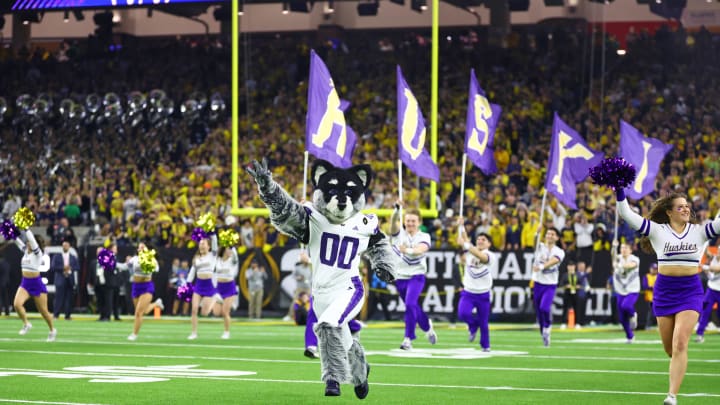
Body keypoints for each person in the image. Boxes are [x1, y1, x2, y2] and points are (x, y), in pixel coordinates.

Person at [616, 190, 720, 405]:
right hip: (664, 291)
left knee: (680, 342)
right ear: (669, 212)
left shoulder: (699, 231)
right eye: (680, 206)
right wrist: (619, 190)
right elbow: (626, 213)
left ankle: (671, 396)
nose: (685, 209)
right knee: (669, 349)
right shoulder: (657, 231)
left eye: (687, 206)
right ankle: (677, 371)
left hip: (690, 289)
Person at [389, 203, 437, 350]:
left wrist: (407, 250)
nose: (410, 223)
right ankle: (427, 325)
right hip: (401, 276)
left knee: (410, 304)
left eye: (413, 221)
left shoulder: (424, 236)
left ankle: (408, 339)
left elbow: (421, 250)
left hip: (416, 275)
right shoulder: (399, 234)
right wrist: (396, 211)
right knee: (413, 306)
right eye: (408, 220)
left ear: (419, 222)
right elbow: (392, 225)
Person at [12, 228, 57, 341]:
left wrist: (26, 229)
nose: (27, 243)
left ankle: (52, 330)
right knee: (17, 305)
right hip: (25, 283)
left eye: (29, 242)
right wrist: (9, 232)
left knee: (44, 312)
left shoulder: (38, 253)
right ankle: (27, 324)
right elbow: (17, 241)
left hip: (36, 283)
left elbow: (31, 239)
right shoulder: (26, 251)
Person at [456, 229, 495, 352]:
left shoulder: (490, 255)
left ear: (489, 244)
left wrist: (466, 244)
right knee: (463, 313)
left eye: (484, 240)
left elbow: (481, 256)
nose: (480, 241)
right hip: (469, 292)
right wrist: (461, 226)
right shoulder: (469, 252)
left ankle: (485, 345)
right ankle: (472, 326)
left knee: (484, 322)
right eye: (478, 239)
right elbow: (465, 239)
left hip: (483, 293)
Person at [531, 227, 565, 347]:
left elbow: (554, 261)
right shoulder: (540, 247)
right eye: (548, 233)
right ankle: (544, 333)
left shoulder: (559, 251)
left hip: (550, 284)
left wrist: (541, 267)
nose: (549, 235)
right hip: (538, 283)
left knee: (545, 308)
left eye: (552, 234)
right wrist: (537, 233)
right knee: (539, 312)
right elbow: (534, 243)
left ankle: (548, 326)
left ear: (557, 238)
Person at [126, 242, 164, 341]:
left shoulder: (151, 259)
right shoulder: (134, 259)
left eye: (143, 247)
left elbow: (156, 269)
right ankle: (156, 303)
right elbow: (126, 267)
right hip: (135, 286)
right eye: (139, 248)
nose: (141, 249)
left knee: (138, 312)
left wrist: (147, 263)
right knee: (142, 312)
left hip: (146, 287)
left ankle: (134, 334)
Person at [187, 234, 218, 340]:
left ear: (208, 246)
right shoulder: (196, 258)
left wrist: (213, 234)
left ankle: (215, 299)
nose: (202, 246)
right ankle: (194, 333)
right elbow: (192, 271)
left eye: (204, 244)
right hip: (199, 284)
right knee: (194, 309)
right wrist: (188, 283)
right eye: (200, 244)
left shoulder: (212, 255)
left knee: (204, 313)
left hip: (209, 285)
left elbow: (215, 243)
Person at [611, 240, 641, 343]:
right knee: (622, 318)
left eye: (626, 248)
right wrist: (614, 247)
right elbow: (613, 256)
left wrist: (619, 266)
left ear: (630, 250)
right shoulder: (618, 258)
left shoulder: (635, 259)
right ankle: (630, 336)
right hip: (620, 290)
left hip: (632, 289)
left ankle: (633, 315)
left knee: (626, 306)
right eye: (622, 248)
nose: (623, 250)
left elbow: (631, 265)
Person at [50, 237, 79, 320]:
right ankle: (56, 314)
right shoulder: (57, 256)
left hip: (70, 279)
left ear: (69, 246)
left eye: (66, 245)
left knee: (69, 299)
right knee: (58, 298)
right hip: (60, 279)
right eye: (64, 245)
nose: (65, 247)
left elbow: (77, 267)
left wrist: (70, 268)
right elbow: (53, 267)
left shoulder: (73, 257)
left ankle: (68, 315)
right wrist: (63, 268)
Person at [695, 246, 720, 343]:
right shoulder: (713, 257)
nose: (718, 252)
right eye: (718, 250)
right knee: (705, 311)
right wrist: (704, 243)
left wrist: (703, 266)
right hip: (711, 289)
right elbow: (706, 251)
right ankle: (700, 334)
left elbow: (716, 269)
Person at [214, 243, 239, 339]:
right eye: (229, 249)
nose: (231, 251)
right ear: (224, 250)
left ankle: (226, 332)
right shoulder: (218, 260)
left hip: (229, 286)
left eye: (231, 249)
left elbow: (235, 255)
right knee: (216, 313)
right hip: (219, 287)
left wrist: (231, 243)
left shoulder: (232, 260)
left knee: (225, 312)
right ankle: (225, 303)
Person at [559, 260, 588, 329]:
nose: (571, 268)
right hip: (567, 293)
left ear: (574, 267)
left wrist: (578, 287)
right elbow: (561, 284)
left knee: (577, 308)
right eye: (570, 266)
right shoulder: (565, 275)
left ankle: (577, 323)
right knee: (565, 308)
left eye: (572, 266)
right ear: (567, 267)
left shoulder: (578, 275)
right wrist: (566, 286)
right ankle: (564, 323)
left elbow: (582, 284)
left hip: (576, 293)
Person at [643, 263, 659, 330]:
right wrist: (653, 287)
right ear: (650, 269)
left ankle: (659, 326)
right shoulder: (647, 276)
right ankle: (648, 326)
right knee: (650, 312)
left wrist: (653, 287)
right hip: (650, 297)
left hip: (658, 298)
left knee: (659, 312)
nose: (654, 270)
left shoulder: (659, 276)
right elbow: (645, 286)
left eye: (655, 269)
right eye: (653, 269)